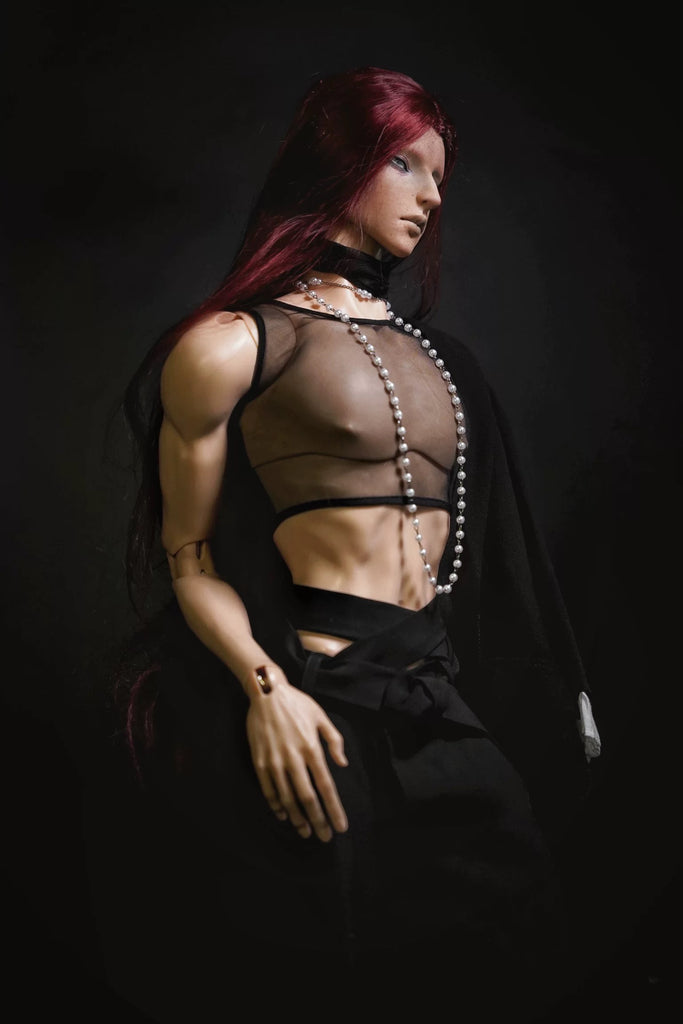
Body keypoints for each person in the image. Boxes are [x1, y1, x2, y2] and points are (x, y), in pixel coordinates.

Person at [113, 66, 600, 1018]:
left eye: (440, 179)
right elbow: (190, 556)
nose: (431, 198)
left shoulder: (443, 362)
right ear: (342, 162)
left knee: (518, 949)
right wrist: (268, 692)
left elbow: (501, 550)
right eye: (406, 166)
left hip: (435, 698)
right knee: (338, 970)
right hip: (322, 702)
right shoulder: (230, 345)